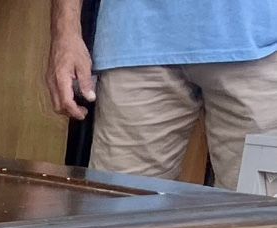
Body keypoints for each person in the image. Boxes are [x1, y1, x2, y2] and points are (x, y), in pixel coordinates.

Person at [48, 0, 277, 189]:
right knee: (119, 224)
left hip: (263, 41)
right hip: (137, 38)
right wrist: (65, 32)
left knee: (262, 227)